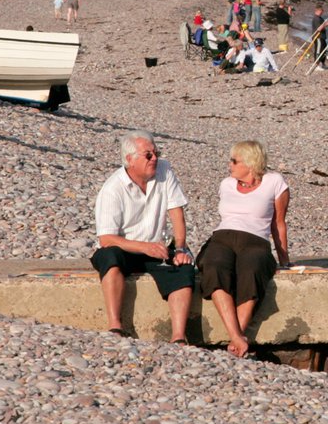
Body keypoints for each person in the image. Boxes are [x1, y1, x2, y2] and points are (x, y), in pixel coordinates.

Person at [90, 131, 196, 343]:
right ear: (130, 159)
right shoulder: (113, 188)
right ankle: (115, 326)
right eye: (148, 155)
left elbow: (176, 212)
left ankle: (178, 336)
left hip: (157, 246)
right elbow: (106, 238)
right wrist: (143, 247)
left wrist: (181, 247)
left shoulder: (164, 170)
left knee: (183, 267)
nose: (155, 158)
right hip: (125, 247)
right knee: (109, 259)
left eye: (156, 152)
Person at [198, 141, 290, 358]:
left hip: (255, 239)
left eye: (234, 161)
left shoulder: (274, 182)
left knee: (252, 269)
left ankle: (235, 338)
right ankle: (237, 337)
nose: (230, 165)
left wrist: (284, 259)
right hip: (223, 236)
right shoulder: (226, 184)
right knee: (213, 266)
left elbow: (278, 223)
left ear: (250, 163)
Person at [311, 5, 328, 70]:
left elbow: (323, 26)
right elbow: (319, 29)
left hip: (322, 37)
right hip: (318, 37)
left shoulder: (320, 18)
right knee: (318, 51)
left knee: (324, 50)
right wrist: (326, 24)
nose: (322, 12)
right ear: (318, 10)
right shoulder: (316, 18)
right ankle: (316, 65)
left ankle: (323, 64)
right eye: (322, 11)